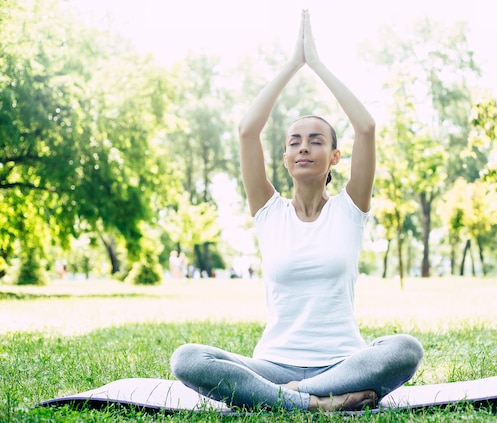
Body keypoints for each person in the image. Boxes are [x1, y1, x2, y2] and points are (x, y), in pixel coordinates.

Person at [170, 10, 423, 412]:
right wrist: (292, 64)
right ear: (285, 157)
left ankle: (285, 400)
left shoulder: (350, 208)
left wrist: (317, 65)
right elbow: (247, 130)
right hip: (272, 364)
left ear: (335, 156)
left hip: (344, 363)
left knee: (404, 349)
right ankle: (316, 404)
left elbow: (367, 128)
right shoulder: (269, 211)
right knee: (187, 358)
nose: (304, 146)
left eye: (316, 140)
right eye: (295, 141)